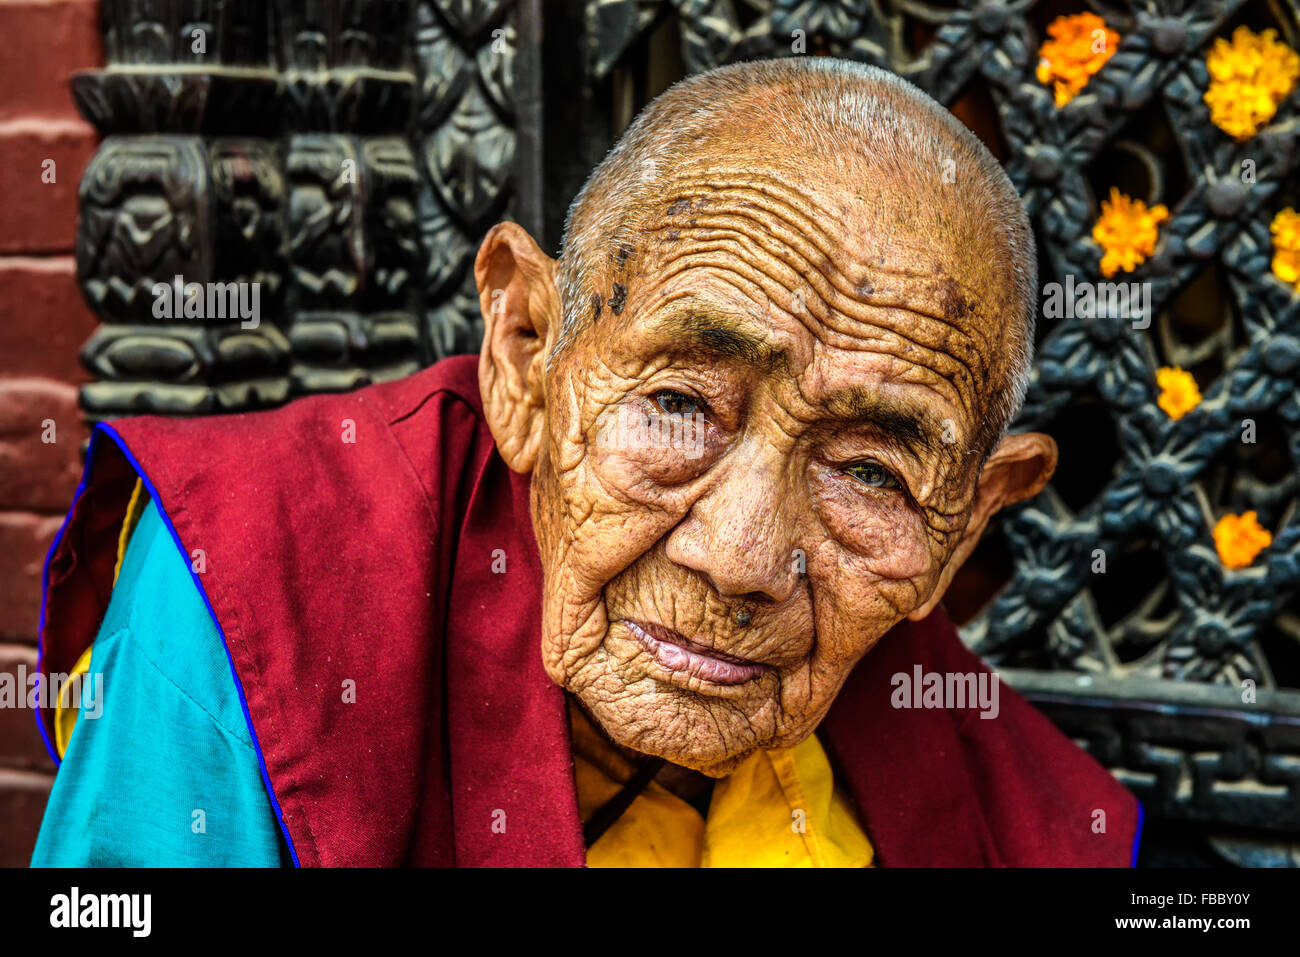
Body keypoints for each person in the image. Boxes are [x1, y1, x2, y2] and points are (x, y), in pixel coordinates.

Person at [32, 57, 1140, 867]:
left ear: (966, 524)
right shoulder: (259, 577)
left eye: (866, 472)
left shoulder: (955, 748)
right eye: (674, 403)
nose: (743, 560)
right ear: (524, 351)